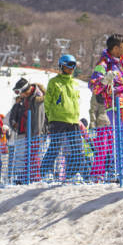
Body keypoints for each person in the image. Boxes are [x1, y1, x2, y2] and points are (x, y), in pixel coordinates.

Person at [90, 34, 123, 184]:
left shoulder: (122, 63)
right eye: (122, 47)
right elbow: (94, 86)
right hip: (116, 105)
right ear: (115, 48)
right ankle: (120, 174)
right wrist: (104, 80)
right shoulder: (104, 64)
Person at [42, 54, 84, 182]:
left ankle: (72, 174)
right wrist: (50, 118)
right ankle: (45, 173)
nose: (71, 69)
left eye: (73, 66)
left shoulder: (75, 83)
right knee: (55, 147)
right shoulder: (54, 82)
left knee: (77, 149)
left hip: (73, 120)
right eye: (68, 66)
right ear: (61, 66)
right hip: (58, 119)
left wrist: (76, 117)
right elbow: (47, 102)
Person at [10, 78, 47, 182]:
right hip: (29, 131)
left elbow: (39, 117)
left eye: (19, 92)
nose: (19, 95)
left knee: (34, 155)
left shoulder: (37, 98)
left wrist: (37, 134)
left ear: (25, 90)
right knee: (28, 155)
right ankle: (26, 175)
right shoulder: (27, 98)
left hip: (36, 132)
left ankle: (34, 177)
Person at [89, 94, 113, 182]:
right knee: (101, 150)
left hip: (112, 123)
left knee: (111, 150)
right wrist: (92, 125)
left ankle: (110, 171)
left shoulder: (114, 92)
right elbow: (92, 111)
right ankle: (97, 173)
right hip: (101, 125)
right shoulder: (97, 94)